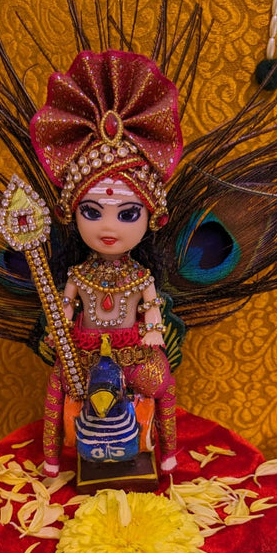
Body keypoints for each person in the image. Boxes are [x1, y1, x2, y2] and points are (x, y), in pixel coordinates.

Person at [28, 49, 183, 477]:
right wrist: (59, 329)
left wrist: (153, 333)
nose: (108, 227)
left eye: (127, 213)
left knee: (163, 386)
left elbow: (151, 311)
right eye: (92, 212)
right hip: (80, 352)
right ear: (72, 214)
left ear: (151, 216)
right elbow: (65, 309)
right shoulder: (78, 276)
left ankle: (167, 449)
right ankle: (52, 456)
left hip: (133, 355)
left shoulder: (141, 276)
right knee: (55, 389)